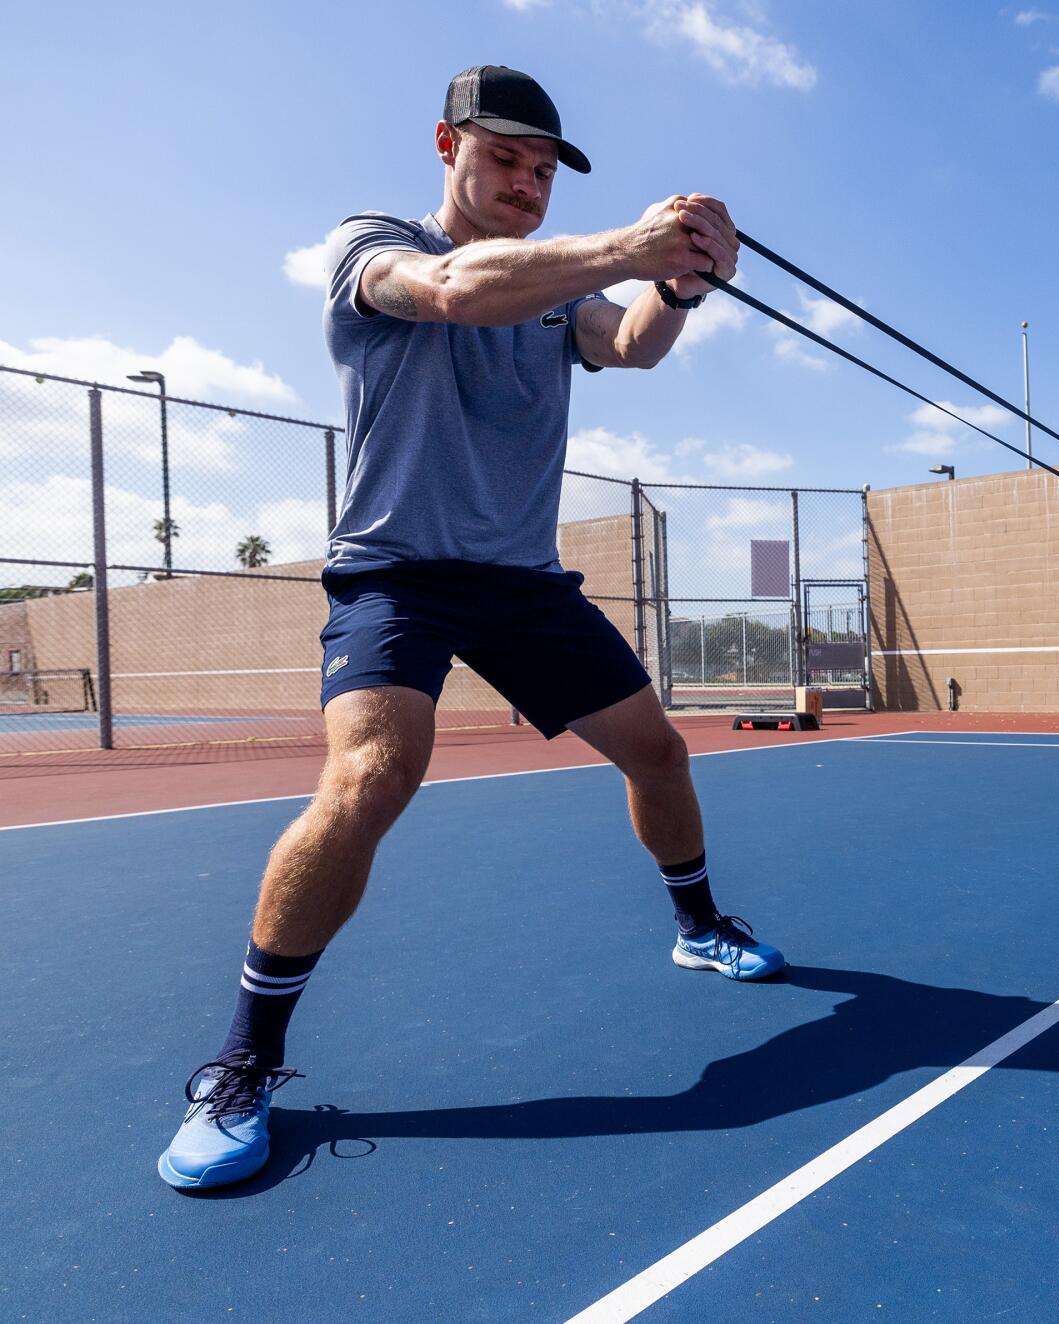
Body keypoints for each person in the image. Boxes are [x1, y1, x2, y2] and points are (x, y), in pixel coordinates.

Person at [158, 65, 783, 1191]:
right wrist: (629, 245)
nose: (527, 182)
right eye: (506, 158)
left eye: (543, 170)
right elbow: (453, 290)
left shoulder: (554, 293)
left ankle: (697, 923)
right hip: (397, 572)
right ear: (446, 145)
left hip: (522, 581)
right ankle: (244, 1061)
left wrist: (680, 285)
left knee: (659, 749)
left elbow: (629, 343)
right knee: (370, 777)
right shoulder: (374, 247)